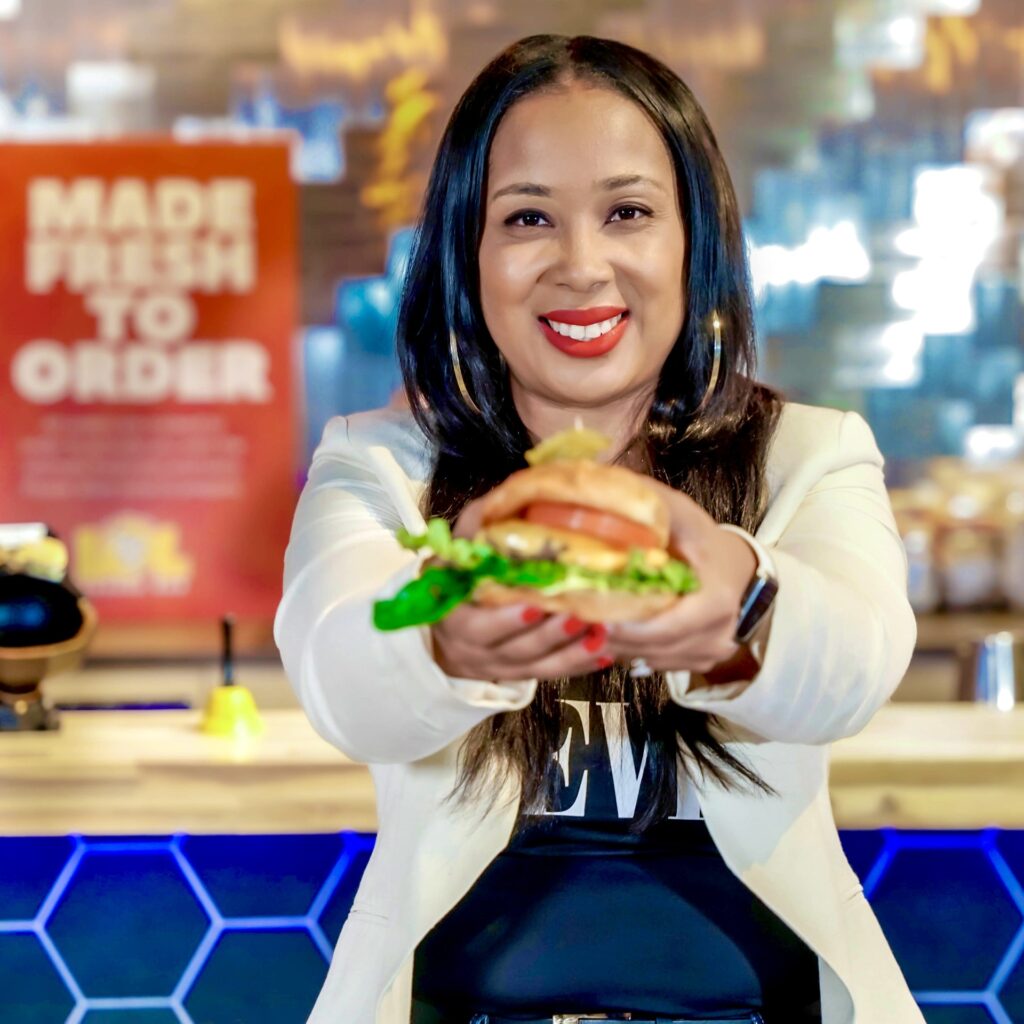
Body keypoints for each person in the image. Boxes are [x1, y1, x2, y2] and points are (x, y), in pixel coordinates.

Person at [275, 34, 923, 1024]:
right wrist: (446, 634)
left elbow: (858, 660)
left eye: (627, 213)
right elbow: (339, 671)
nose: (581, 265)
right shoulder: (381, 466)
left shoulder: (809, 453)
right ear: (469, 253)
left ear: (690, 242)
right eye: (526, 217)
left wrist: (735, 607)